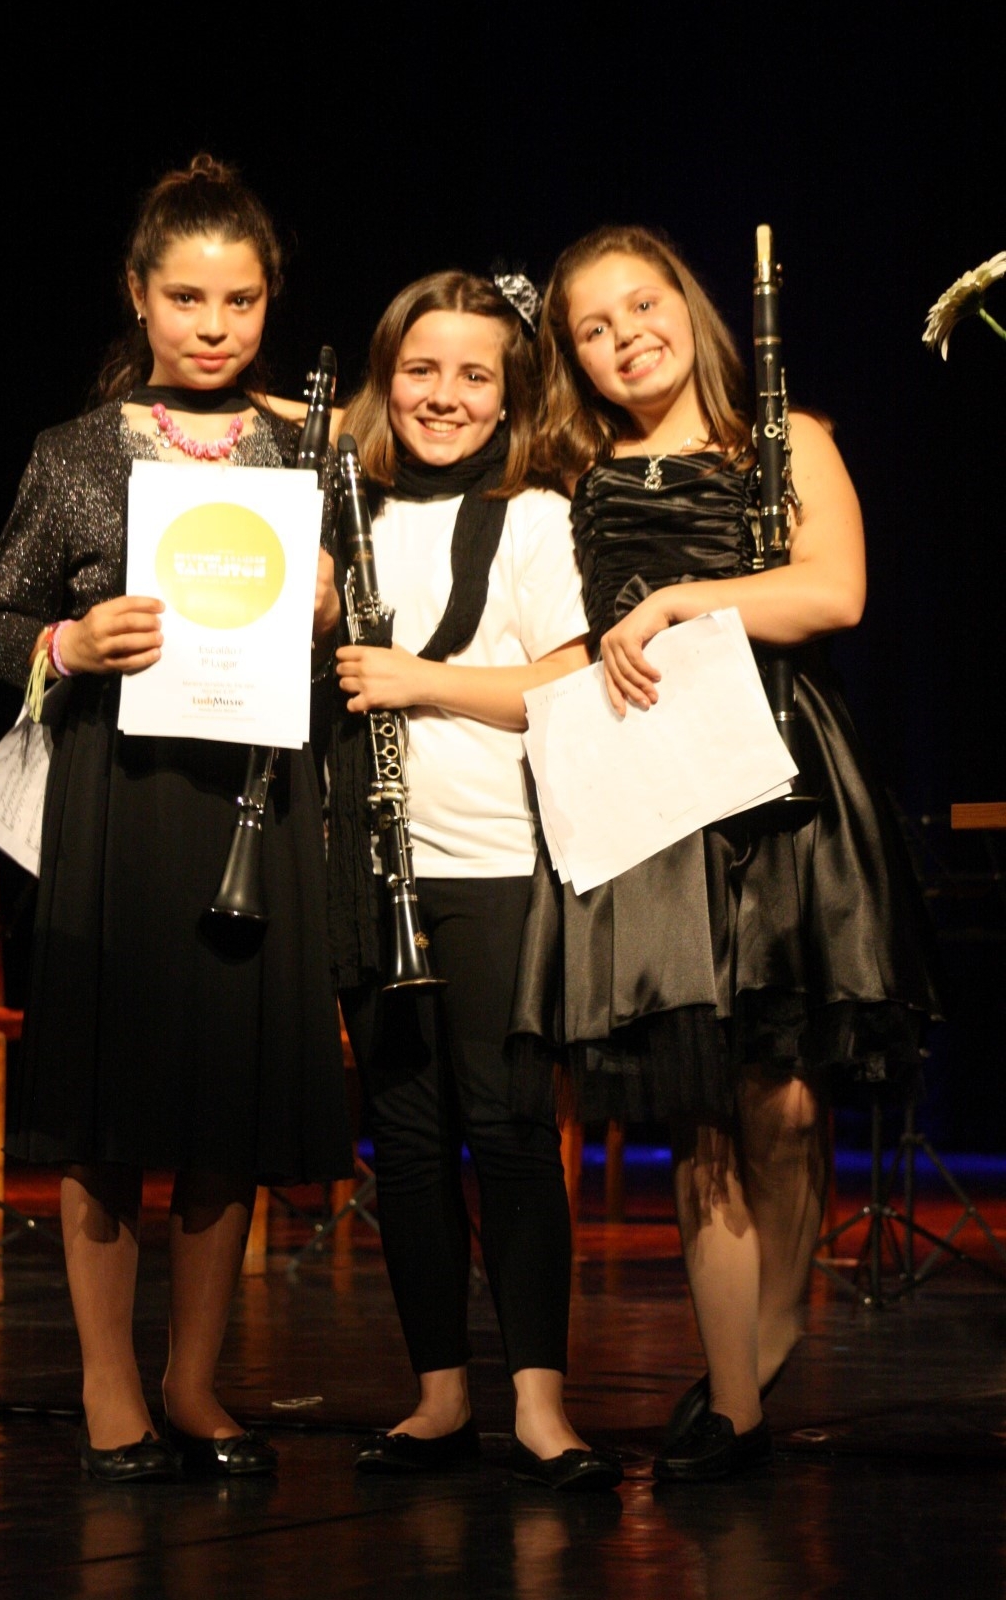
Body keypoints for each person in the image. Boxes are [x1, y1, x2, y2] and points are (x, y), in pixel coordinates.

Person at [511, 226, 942, 1481]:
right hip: (653, 791)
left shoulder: (784, 440)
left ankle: (773, 1329)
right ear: (573, 356)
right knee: (699, 1104)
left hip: (780, 783)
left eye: (642, 305)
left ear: (690, 306)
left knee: (785, 1100)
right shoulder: (576, 474)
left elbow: (834, 593)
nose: (626, 337)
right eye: (593, 327)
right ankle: (738, 1402)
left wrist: (678, 600)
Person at [0, 155, 353, 1482]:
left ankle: (194, 1382)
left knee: (225, 1102)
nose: (213, 324)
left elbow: (353, 650)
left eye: (240, 300)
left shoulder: (307, 452)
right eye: (186, 297)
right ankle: (109, 1384)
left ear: (270, 302)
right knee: (106, 1104)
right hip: (118, 808)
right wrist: (69, 642)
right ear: (138, 295)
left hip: (256, 801)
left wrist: (332, 610)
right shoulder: (75, 453)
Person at [326, 270, 621, 1491]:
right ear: (385, 380)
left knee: (507, 1130)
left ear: (509, 397)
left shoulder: (537, 516)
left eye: (472, 375)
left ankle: (540, 1407)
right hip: (366, 864)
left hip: (495, 859)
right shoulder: (342, 507)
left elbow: (570, 679)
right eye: (421, 370)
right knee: (404, 1141)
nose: (443, 395)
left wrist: (420, 680)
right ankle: (440, 1396)